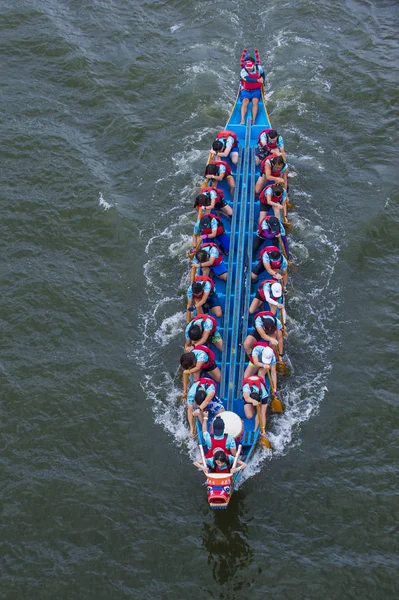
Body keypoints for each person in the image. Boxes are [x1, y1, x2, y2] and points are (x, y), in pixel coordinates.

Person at [239, 56, 265, 125]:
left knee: (255, 101)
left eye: (250, 68)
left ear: (253, 65)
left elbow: (263, 74)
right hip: (246, 89)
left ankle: (253, 121)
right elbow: (247, 79)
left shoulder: (259, 68)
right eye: (247, 67)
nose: (249, 69)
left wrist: (263, 80)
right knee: (245, 101)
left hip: (256, 89)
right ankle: (242, 120)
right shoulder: (243, 71)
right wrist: (257, 80)